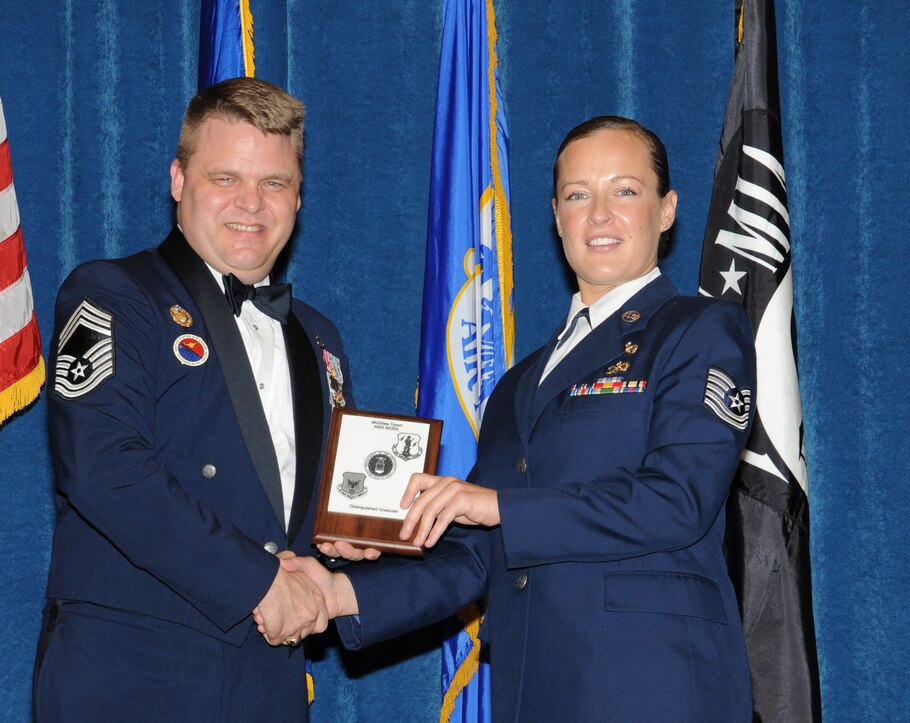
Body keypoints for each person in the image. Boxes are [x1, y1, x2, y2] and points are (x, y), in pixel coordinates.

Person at [281, 116, 755, 721]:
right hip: (533, 687)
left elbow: (677, 500)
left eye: (625, 191)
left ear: (667, 211)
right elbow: (478, 556)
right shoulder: (518, 385)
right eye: (578, 195)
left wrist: (495, 505)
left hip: (652, 685)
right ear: (557, 217)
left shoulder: (700, 330)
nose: (600, 214)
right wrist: (339, 592)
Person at [33, 77, 354, 722]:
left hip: (269, 681)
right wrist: (259, 583)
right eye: (225, 179)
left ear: (298, 197)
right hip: (134, 677)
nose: (251, 205)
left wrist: (354, 539)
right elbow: (104, 470)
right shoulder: (112, 295)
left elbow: (314, 510)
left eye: (274, 183)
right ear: (178, 181)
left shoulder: (320, 337)